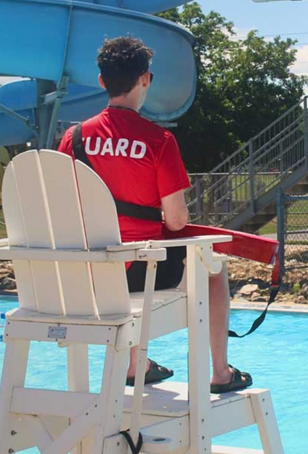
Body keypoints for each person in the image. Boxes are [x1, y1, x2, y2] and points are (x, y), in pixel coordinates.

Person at [57, 36, 251, 394]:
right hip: (138, 273)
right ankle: (220, 372)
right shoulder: (158, 140)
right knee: (214, 268)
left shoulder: (74, 138)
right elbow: (176, 222)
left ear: (102, 82)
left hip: (86, 276)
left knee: (121, 254)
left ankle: (137, 363)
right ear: (145, 79)